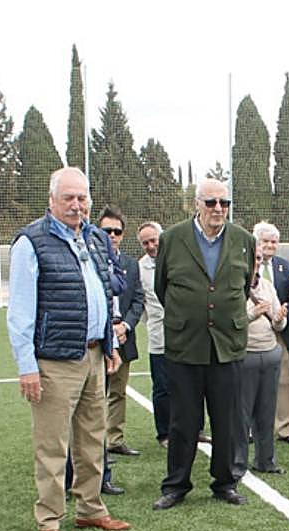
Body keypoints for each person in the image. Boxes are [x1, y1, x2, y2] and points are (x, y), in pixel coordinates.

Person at [7, 167, 129, 531]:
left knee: (92, 439)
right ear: (52, 201)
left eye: (82, 197)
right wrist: (27, 367)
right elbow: (20, 312)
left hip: (94, 356)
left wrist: (109, 344)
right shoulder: (31, 242)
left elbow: (104, 293)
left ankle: (90, 508)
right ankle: (49, 519)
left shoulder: (94, 238)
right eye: (68, 198)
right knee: (53, 446)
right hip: (55, 361)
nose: (77, 205)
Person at [152, 178, 256, 510]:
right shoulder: (172, 239)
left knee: (227, 420)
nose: (218, 209)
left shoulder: (244, 240)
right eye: (211, 202)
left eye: (224, 203)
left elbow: (244, 286)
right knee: (183, 420)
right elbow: (161, 287)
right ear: (196, 204)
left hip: (227, 344)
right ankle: (176, 485)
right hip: (185, 344)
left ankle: (225, 482)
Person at [233, 234, 288, 478]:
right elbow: (229, 324)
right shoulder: (233, 287)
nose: (255, 263)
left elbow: (278, 324)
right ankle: (237, 463)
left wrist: (280, 319)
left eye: (257, 259)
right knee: (241, 414)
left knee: (266, 413)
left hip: (270, 353)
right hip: (245, 355)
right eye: (251, 259)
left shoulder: (267, 285)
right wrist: (253, 314)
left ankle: (266, 460)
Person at [100, 207, 145, 460]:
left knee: (118, 391)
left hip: (124, 336)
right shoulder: (91, 260)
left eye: (117, 231)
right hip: (99, 338)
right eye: (107, 231)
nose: (112, 235)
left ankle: (114, 440)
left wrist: (125, 326)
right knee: (95, 394)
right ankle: (94, 445)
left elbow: (138, 300)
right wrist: (107, 329)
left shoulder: (130, 264)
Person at [253, 223, 289, 445]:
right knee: (252, 382)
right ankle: (252, 428)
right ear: (256, 242)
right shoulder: (245, 265)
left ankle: (285, 428)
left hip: (283, 333)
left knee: (285, 382)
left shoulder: (285, 266)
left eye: (274, 241)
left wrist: (283, 315)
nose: (270, 245)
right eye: (266, 241)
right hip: (254, 333)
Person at [136, 221, 169, 446]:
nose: (150, 246)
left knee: (190, 387)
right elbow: (141, 306)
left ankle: (193, 429)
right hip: (159, 338)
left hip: (186, 337)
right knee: (162, 388)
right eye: (145, 243)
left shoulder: (178, 258)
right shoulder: (140, 268)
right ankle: (164, 433)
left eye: (153, 240)